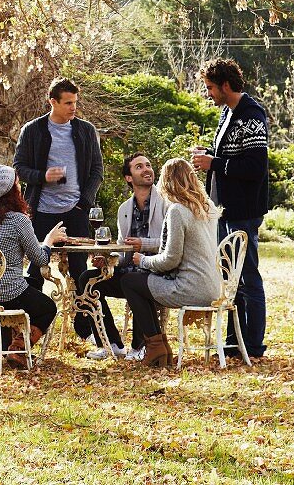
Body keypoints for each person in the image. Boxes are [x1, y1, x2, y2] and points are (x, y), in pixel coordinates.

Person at [111, 157, 222, 367]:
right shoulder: (206, 206)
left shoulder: (177, 211)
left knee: (129, 282)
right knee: (140, 281)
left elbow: (170, 260)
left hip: (189, 288)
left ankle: (154, 347)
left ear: (168, 181)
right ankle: (159, 347)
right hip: (213, 288)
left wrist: (142, 260)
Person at [192, 57, 269, 359]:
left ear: (225, 85)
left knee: (246, 275)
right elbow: (232, 156)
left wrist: (216, 163)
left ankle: (253, 344)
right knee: (228, 277)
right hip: (223, 209)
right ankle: (234, 340)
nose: (208, 93)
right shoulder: (228, 113)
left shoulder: (251, 114)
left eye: (210, 87)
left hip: (243, 211)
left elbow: (255, 166)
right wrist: (210, 155)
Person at [0, 164, 65, 367]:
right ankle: (18, 348)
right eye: (17, 183)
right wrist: (48, 241)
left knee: (30, 285)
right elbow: (40, 260)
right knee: (47, 307)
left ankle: (7, 347)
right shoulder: (18, 220)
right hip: (8, 292)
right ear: (11, 190)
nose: (20, 186)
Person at [73, 151, 166, 360]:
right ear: (129, 178)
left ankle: (140, 346)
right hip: (129, 271)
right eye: (139, 167)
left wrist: (145, 244)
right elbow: (124, 251)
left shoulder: (166, 204)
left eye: (148, 165)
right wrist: (107, 260)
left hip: (156, 270)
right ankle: (110, 342)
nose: (147, 169)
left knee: (134, 280)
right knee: (88, 280)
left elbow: (172, 246)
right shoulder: (124, 209)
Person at [13, 76, 103, 289]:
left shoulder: (86, 130)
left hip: (76, 209)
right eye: (68, 103)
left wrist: (84, 203)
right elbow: (18, 169)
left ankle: (84, 322)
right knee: (35, 269)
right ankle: (34, 320)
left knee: (81, 272)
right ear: (52, 101)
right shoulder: (33, 130)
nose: (73, 107)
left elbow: (97, 171)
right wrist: (43, 176)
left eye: (75, 102)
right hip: (42, 210)